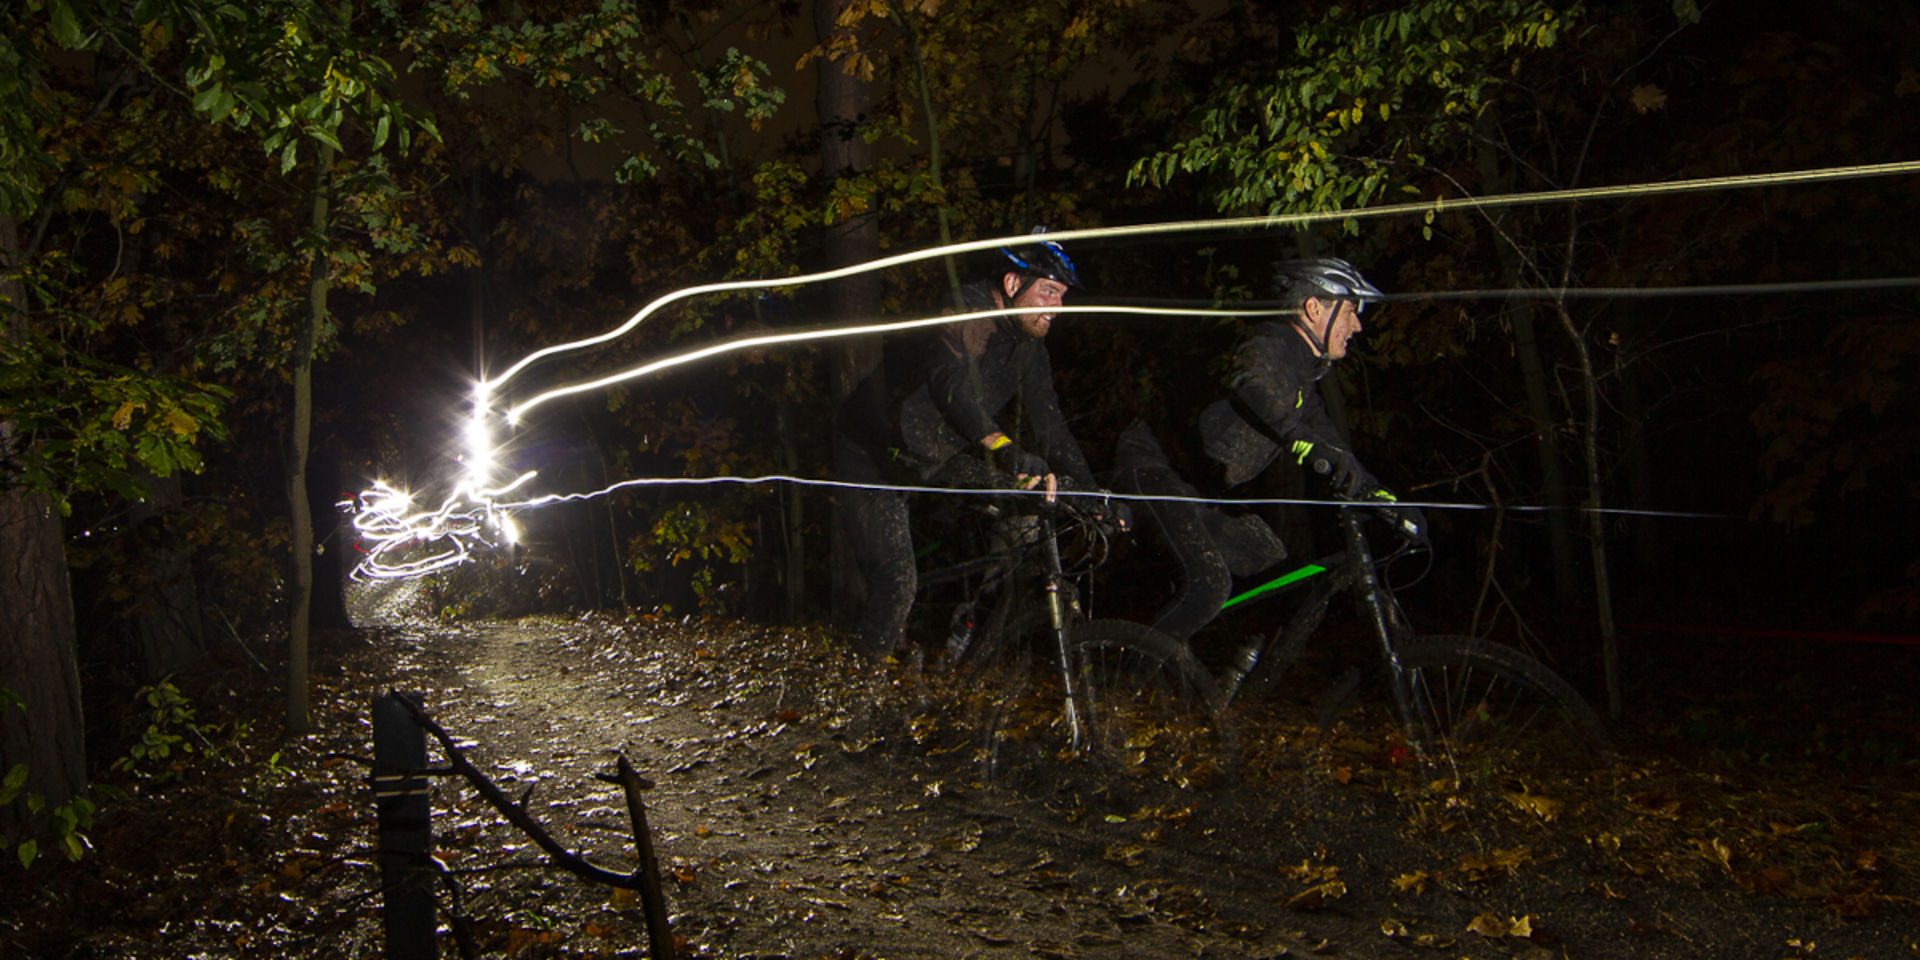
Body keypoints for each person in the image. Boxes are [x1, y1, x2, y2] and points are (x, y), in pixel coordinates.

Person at [835, 228, 1125, 659]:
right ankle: (853, 697)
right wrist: (1004, 447)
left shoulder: (1027, 344)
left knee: (1029, 512)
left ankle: (962, 638)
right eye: (1048, 292)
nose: (1058, 308)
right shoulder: (965, 309)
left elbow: (1050, 423)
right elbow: (951, 385)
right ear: (1012, 284)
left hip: (937, 456)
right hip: (877, 456)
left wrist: (1092, 492)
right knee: (898, 585)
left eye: (1062, 296)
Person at [1114, 256, 1426, 645]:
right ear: (1314, 308)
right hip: (1155, 468)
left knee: (1275, 569)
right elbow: (1252, 384)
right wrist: (1302, 442)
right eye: (1350, 312)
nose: (1357, 325)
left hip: (1199, 492)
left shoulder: (1301, 378)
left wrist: (1385, 499)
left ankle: (1227, 672)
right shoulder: (1271, 342)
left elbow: (1333, 446)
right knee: (1209, 586)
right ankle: (1127, 685)